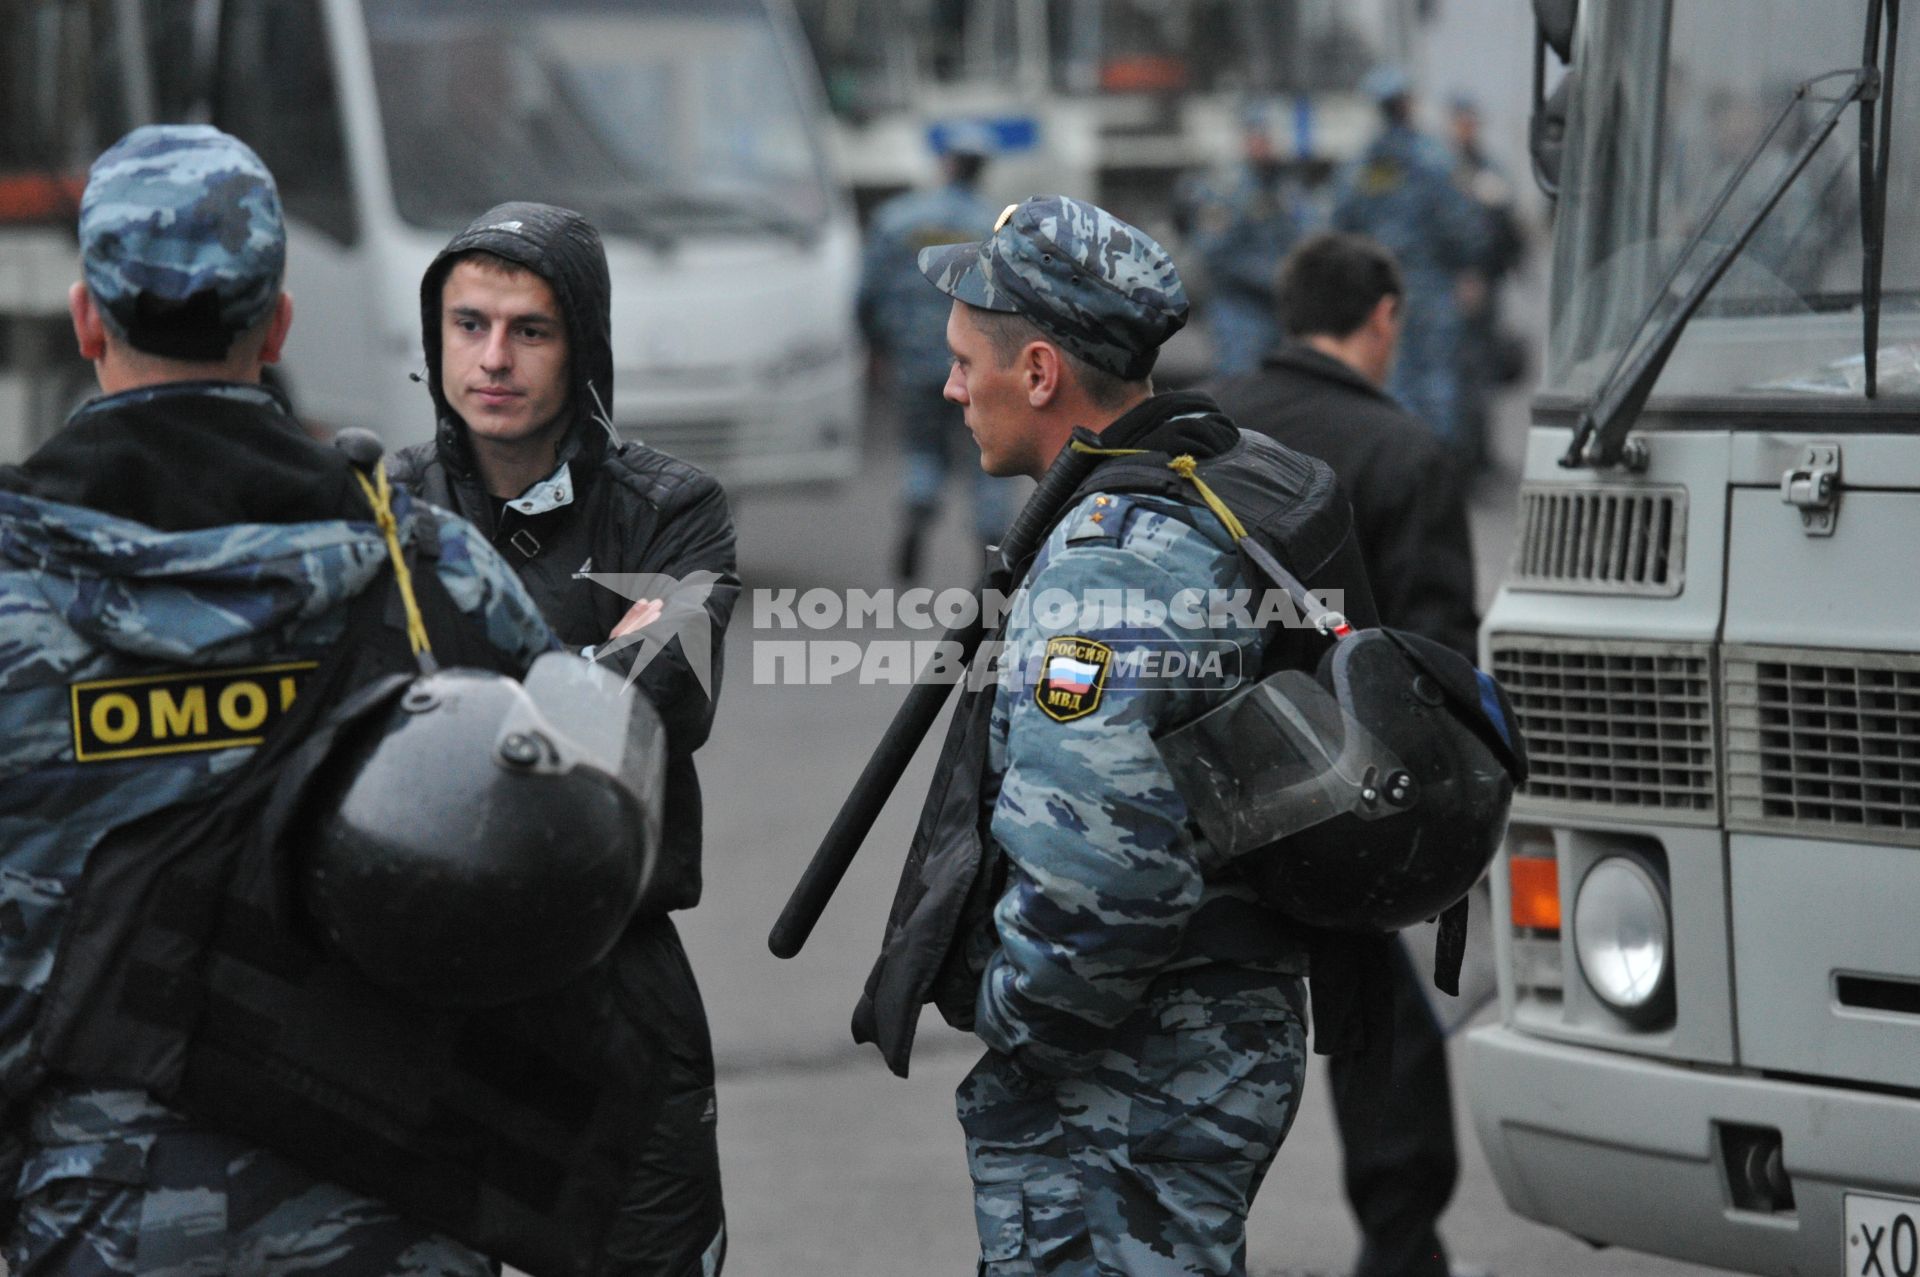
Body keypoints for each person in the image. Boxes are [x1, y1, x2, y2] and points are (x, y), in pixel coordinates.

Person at [0, 125, 556, 1275]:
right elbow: (560, 876)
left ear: (88, 319)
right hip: (400, 1203)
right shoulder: (430, 573)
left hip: (101, 1218)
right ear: (278, 324)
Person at [851, 196, 1380, 1275]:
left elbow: (1102, 869)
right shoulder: (1187, 480)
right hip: (1199, 1041)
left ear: (1039, 372)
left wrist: (1014, 1011)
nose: (949, 387)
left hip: (1133, 1076)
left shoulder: (1111, 566)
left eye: (964, 362)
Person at [388, 199, 740, 1276]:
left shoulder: (672, 511)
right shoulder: (376, 505)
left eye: (529, 330)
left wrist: (453, 692)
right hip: (411, 979)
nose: (493, 358)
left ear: (581, 342)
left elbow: (650, 699)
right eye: (468, 324)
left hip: (610, 972)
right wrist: (571, 667)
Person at [1208, 231, 1478, 1277]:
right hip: (1339, 805)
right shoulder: (1406, 450)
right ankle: (1401, 1246)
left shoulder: (1212, 426)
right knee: (1382, 1026)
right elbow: (1434, 663)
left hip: (1199, 785)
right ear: (1386, 316)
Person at [857, 128, 1016, 577]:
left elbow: (866, 294)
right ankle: (990, 559)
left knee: (921, 449)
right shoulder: (996, 225)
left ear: (946, 163)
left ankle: (918, 508)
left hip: (911, 359)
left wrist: (876, 345)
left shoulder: (895, 218)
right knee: (986, 457)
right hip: (978, 362)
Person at [1332, 68, 1488, 455]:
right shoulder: (1434, 158)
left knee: (1392, 380)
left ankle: (1400, 466)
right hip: (1432, 286)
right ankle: (1439, 467)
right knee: (1438, 381)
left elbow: (1340, 225)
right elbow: (1460, 223)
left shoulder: (1362, 165)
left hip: (1380, 291)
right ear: (1406, 104)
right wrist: (1470, 268)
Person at [1174, 105, 1308, 377]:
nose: (1264, 144)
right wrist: (1269, 276)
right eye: (1257, 136)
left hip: (1281, 315)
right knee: (1241, 388)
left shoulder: (1285, 188)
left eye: (1268, 137)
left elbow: (1304, 233)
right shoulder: (1225, 191)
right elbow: (1212, 253)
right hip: (1239, 312)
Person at [1446, 97, 1526, 470]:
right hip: (1448, 291)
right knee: (1453, 376)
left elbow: (1506, 226)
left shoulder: (1489, 168)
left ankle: (1480, 457)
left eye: (1470, 122)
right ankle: (1459, 458)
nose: (1466, 129)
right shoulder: (1441, 168)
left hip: (1485, 287)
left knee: (1482, 376)